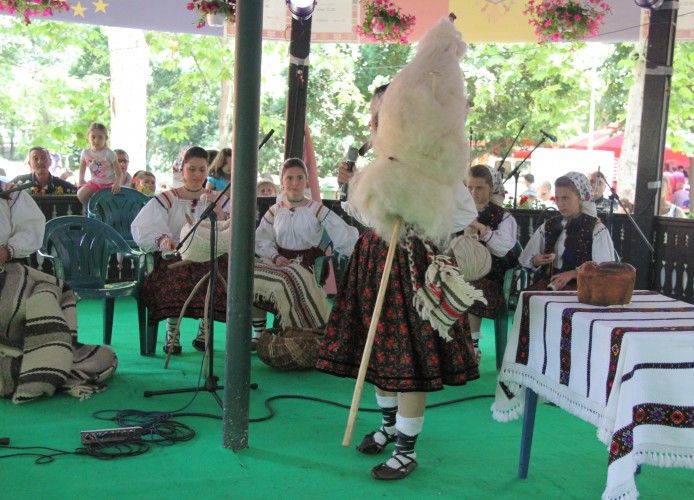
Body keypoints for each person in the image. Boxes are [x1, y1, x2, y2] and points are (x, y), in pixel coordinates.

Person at [318, 17, 479, 481]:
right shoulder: (379, 165)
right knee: (379, 353)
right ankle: (389, 426)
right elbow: (362, 215)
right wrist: (365, 196)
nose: (375, 122)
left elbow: (463, 213)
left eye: (381, 114)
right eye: (374, 115)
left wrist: (419, 221)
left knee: (407, 357)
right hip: (373, 265)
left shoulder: (435, 168)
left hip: (413, 270)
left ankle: (407, 448)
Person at [0, 184, 116, 402]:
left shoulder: (11, 194)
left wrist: (7, 250)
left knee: (46, 295)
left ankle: (44, 360)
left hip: (9, 271)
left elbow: (31, 228)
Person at [131, 146, 230, 354]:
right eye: (191, 169)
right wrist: (164, 240)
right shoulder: (167, 198)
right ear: (181, 170)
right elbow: (143, 227)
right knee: (175, 276)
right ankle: (172, 333)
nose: (197, 174)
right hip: (176, 256)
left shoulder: (219, 198)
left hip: (208, 255)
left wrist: (220, 213)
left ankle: (205, 331)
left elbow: (231, 228)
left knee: (217, 272)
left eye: (202, 170)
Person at [252, 158, 359, 348]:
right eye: (289, 178)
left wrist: (353, 252)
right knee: (251, 277)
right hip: (278, 260)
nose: (295, 183)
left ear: (306, 181)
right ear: (282, 181)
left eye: (300, 178)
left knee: (286, 280)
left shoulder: (316, 209)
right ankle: (258, 333)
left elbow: (343, 234)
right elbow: (261, 239)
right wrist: (275, 256)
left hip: (307, 264)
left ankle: (293, 332)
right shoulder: (275, 211)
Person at [519, 172, 616, 291]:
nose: (560, 203)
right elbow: (526, 259)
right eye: (557, 198)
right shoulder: (549, 225)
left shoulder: (596, 228)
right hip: (551, 286)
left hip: (584, 291)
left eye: (565, 198)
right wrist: (536, 261)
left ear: (580, 198)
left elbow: (605, 270)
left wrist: (573, 274)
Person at [465, 164, 517, 361]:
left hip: (491, 276)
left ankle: (472, 348)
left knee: (472, 287)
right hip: (461, 270)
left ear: (491, 188)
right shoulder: (459, 212)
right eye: (469, 187)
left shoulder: (503, 217)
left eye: (479, 188)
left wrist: (481, 229)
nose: (473, 192)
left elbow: (502, 248)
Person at [77, 122, 120, 205]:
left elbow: (119, 173)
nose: (96, 140)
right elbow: (82, 168)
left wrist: (117, 183)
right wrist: (81, 180)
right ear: (88, 137)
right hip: (95, 182)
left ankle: (102, 210)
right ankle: (91, 209)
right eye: (93, 137)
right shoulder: (85, 153)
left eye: (100, 137)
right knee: (80, 194)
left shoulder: (109, 153)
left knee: (108, 203)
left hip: (109, 184)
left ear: (105, 138)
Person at [10, 147, 76, 195]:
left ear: (50, 162)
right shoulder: (19, 182)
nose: (40, 162)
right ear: (30, 163)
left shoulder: (63, 185)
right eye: (35, 159)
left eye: (44, 158)